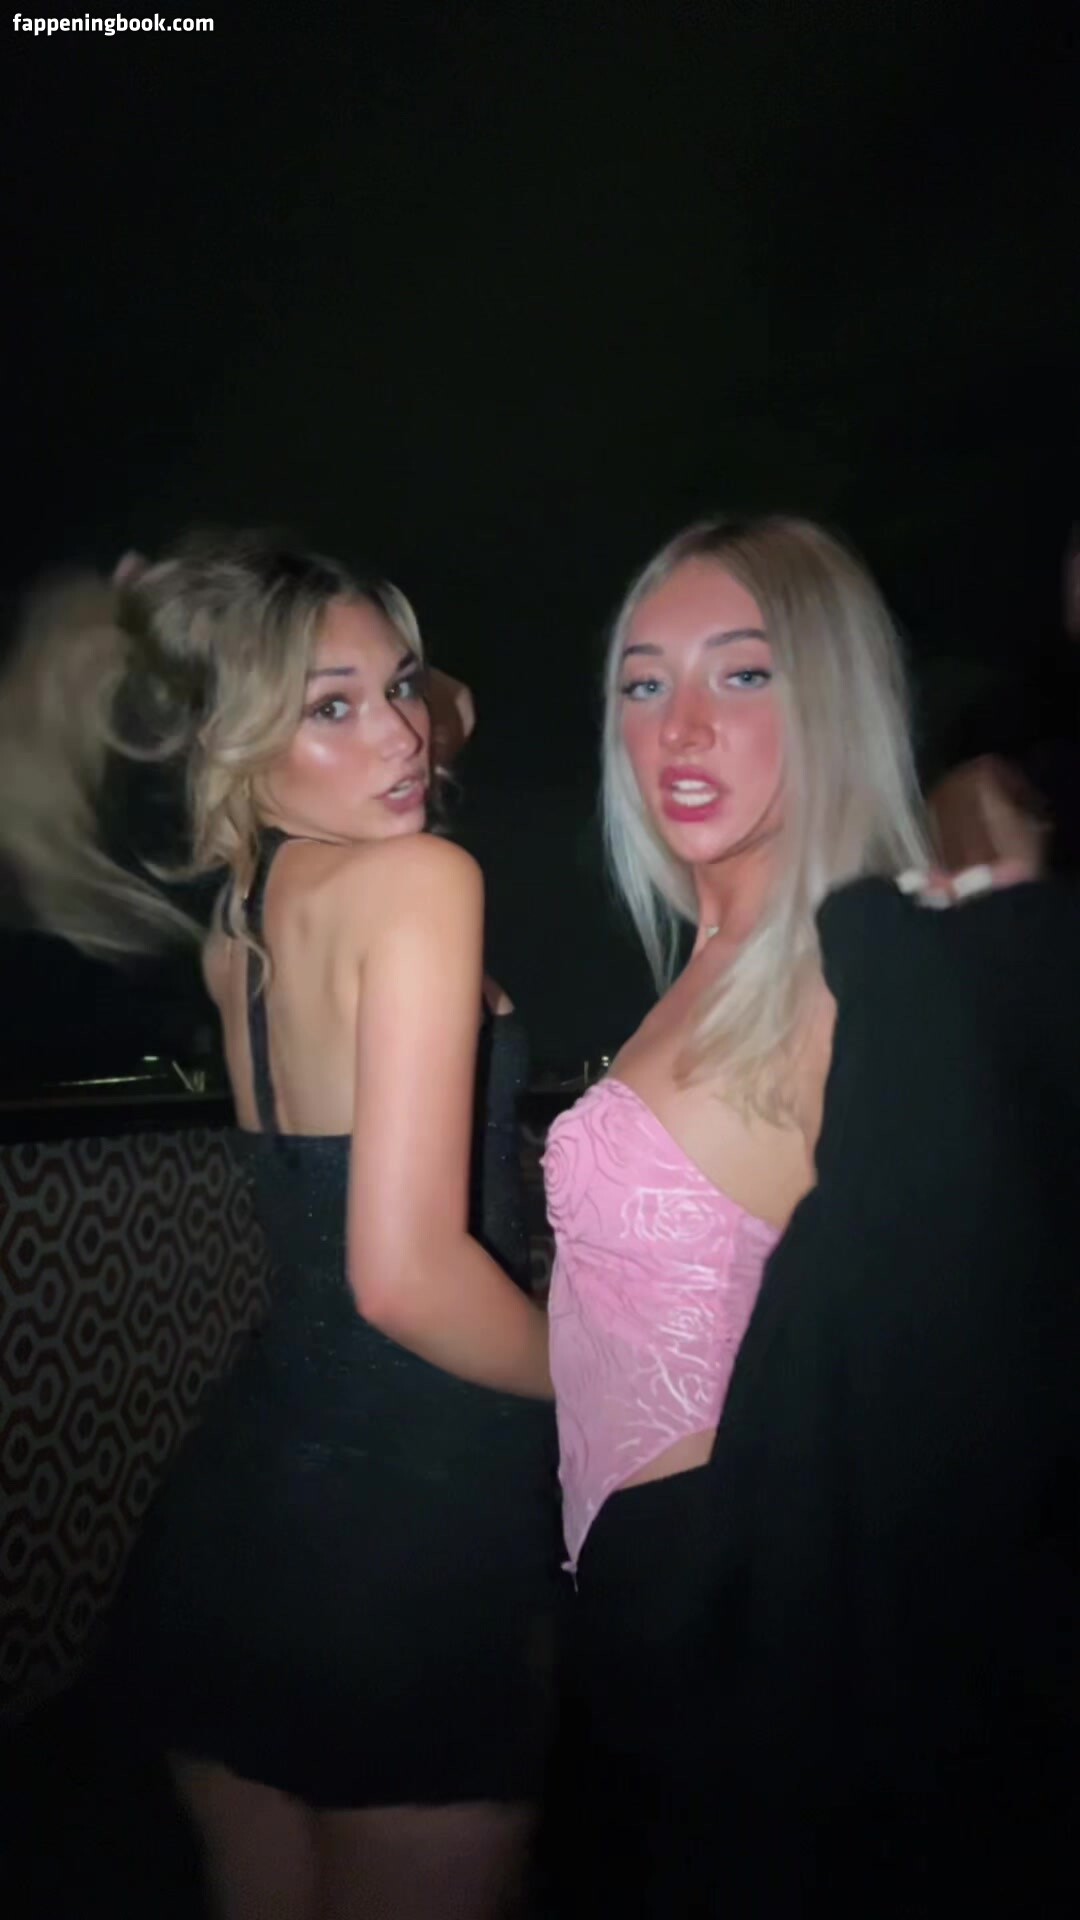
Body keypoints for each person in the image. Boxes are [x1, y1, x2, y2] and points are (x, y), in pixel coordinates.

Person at [0, 533, 561, 1920]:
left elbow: (438, 712)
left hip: (239, 1520)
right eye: (332, 707)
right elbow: (405, 1277)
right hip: (413, 1529)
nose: (403, 736)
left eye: (402, 684)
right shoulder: (418, 882)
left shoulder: (239, 927)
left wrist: (204, 632)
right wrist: (618, 1384)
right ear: (235, 740)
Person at [539, 515, 1079, 1913]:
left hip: (744, 1627)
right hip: (621, 1619)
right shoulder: (715, 956)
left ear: (833, 696)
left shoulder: (870, 964)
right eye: (644, 682)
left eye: (743, 674)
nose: (680, 727)